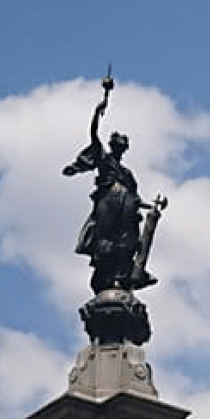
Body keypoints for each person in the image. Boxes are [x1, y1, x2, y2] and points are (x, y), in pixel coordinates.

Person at [62, 74, 155, 294]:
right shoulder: (104, 159)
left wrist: (152, 207)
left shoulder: (128, 174)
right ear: (114, 145)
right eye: (119, 142)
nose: (121, 145)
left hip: (127, 206)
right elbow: (93, 133)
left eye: (124, 143)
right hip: (108, 201)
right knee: (104, 239)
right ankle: (105, 274)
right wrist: (98, 110)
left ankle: (124, 275)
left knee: (129, 240)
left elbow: (137, 199)